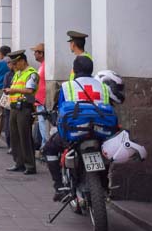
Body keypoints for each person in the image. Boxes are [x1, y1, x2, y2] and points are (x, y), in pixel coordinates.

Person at [43, 56, 113, 197]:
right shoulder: (104, 88)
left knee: (49, 149)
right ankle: (104, 184)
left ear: (74, 70)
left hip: (76, 132)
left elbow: (61, 108)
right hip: (99, 131)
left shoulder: (67, 86)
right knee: (106, 153)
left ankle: (59, 186)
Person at [4, 50, 38, 174]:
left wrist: (13, 90)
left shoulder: (31, 73)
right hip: (14, 107)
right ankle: (18, 162)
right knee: (15, 137)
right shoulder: (17, 73)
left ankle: (30, 165)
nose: (14, 66)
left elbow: (30, 90)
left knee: (25, 137)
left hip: (24, 108)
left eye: (16, 63)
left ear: (22, 61)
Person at [32, 44, 50, 150]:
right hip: (40, 100)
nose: (34, 54)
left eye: (36, 52)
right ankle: (44, 145)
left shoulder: (45, 66)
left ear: (41, 53)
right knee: (42, 125)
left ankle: (45, 146)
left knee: (44, 125)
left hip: (42, 100)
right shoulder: (42, 65)